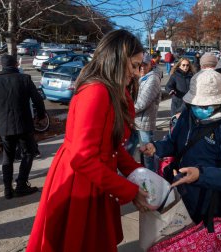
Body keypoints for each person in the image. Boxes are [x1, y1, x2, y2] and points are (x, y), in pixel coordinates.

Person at [26, 30, 151, 252]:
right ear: (117, 59)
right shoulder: (96, 92)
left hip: (96, 178)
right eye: (134, 65)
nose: (137, 73)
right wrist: (129, 189)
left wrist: (139, 174)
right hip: (80, 182)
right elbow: (82, 159)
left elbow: (112, 146)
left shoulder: (113, 91)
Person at [141, 69, 221, 223]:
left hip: (212, 207)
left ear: (220, 102)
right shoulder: (188, 115)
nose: (199, 108)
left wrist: (201, 175)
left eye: (206, 105)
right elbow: (173, 143)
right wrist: (156, 147)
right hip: (181, 198)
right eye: (195, 104)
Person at [0, 55, 45, 199]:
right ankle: (21, 184)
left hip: (5, 125)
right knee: (29, 152)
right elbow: (37, 99)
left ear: (2, 66)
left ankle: (8, 189)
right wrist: (40, 115)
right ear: (16, 64)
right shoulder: (24, 79)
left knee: (8, 157)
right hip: (24, 124)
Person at [135, 53, 162, 171]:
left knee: (148, 154)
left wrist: (123, 110)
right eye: (139, 65)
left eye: (145, 65)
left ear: (150, 65)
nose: (141, 67)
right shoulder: (141, 77)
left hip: (144, 124)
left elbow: (141, 103)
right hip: (136, 121)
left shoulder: (152, 79)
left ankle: (151, 179)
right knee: (139, 152)